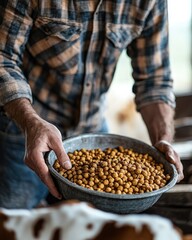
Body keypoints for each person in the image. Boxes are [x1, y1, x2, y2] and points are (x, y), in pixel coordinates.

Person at [0, 0, 183, 209]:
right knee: (13, 221)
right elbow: (3, 58)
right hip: (26, 131)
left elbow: (155, 80)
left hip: (93, 133)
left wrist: (163, 141)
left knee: (93, 228)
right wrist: (31, 122)